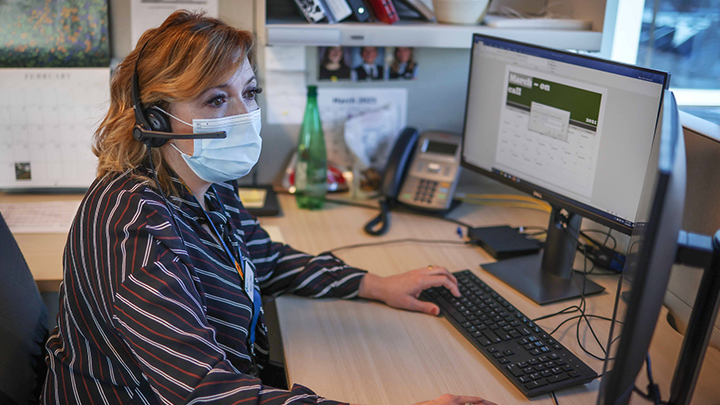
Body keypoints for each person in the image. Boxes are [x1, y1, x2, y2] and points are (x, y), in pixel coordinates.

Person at [41, 10, 495, 405]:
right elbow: (204, 393)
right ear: (157, 120)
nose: (244, 114)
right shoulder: (131, 224)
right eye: (217, 99)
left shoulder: (207, 186)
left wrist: (373, 284)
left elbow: (263, 259)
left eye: (250, 93)